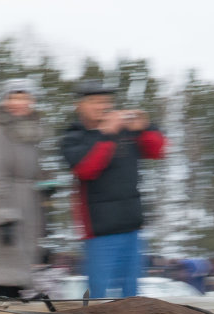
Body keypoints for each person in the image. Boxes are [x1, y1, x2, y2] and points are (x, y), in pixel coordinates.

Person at [60, 80, 165, 298]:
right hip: (99, 233)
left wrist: (146, 126)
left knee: (132, 299)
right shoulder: (72, 137)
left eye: (106, 102)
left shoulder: (124, 132)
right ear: (79, 105)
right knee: (98, 299)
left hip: (132, 227)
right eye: (95, 102)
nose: (102, 107)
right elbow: (86, 169)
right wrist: (107, 136)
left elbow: (157, 149)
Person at [0, 78, 44, 298]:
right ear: (5, 102)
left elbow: (36, 169)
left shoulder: (33, 133)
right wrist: (4, 216)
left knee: (22, 269)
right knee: (6, 271)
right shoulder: (1, 132)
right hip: (9, 205)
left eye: (23, 98)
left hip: (29, 204)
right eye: (13, 98)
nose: (18, 103)